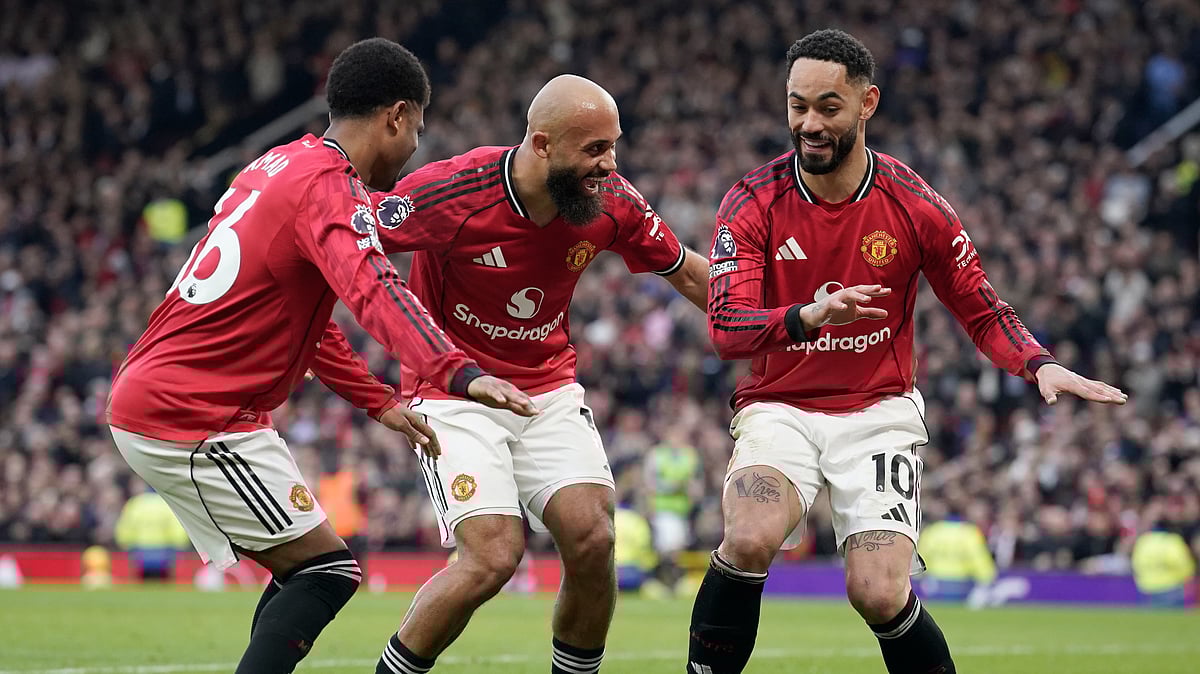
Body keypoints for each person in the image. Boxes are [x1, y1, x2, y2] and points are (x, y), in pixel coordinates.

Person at [688, 29, 1128, 674]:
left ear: (867, 103)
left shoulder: (915, 205)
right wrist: (807, 317)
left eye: (828, 107)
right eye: (797, 106)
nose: (809, 124)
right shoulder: (753, 200)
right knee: (749, 536)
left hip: (878, 411)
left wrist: (1038, 362)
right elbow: (727, 329)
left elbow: (979, 305)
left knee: (878, 591)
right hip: (780, 405)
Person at [106, 38, 535, 674]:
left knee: (311, 569)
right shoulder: (329, 186)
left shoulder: (278, 164)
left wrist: (380, 403)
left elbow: (309, 326)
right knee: (326, 571)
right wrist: (457, 371)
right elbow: (373, 287)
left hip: (187, 400)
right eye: (418, 129)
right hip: (190, 413)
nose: (415, 146)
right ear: (395, 117)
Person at [369, 74, 709, 674]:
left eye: (613, 146)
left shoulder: (611, 201)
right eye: (595, 149)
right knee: (493, 558)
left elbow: (686, 272)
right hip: (453, 389)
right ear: (543, 144)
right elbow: (345, 244)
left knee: (594, 538)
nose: (610, 164)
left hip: (546, 387)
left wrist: (782, 325)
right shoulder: (452, 192)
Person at [113, 479, 191, 581]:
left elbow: (125, 529)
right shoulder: (166, 503)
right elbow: (178, 530)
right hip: (164, 552)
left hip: (140, 552)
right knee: (164, 584)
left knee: (142, 584)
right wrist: (179, 548)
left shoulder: (135, 503)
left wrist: (127, 546)